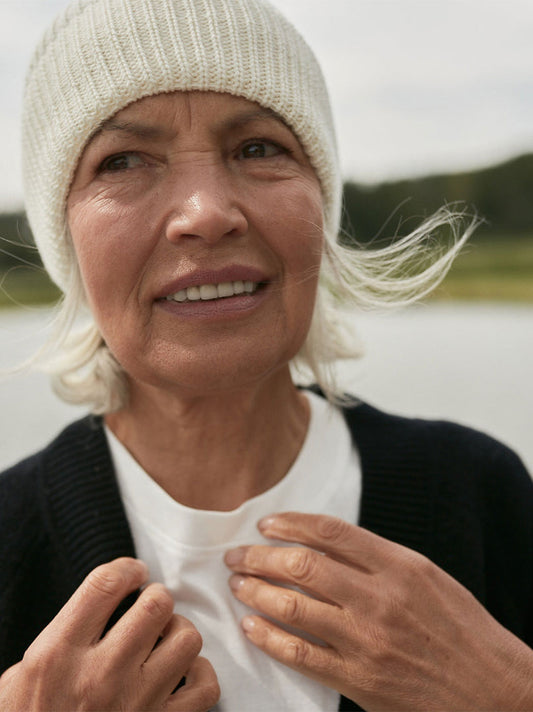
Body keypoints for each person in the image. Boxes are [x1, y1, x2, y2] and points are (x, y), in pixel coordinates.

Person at [0, 0, 532, 710]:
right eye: (122, 160)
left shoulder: (478, 491)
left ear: (321, 201)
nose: (206, 213)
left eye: (257, 148)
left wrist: (506, 692)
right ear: (64, 235)